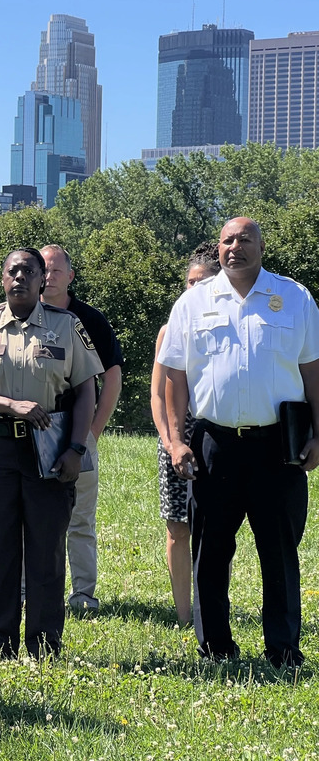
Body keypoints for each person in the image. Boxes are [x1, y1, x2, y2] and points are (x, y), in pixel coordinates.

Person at [159, 217, 319, 669]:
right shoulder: (193, 304)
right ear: (218, 247)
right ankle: (215, 647)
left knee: (280, 551)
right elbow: (173, 378)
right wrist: (176, 441)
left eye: (245, 239)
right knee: (210, 549)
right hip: (214, 443)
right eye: (227, 240)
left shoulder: (294, 298)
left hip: (278, 445)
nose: (235, 247)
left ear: (262, 246)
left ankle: (284, 649)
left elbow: (313, 374)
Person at [0, 248, 102, 660]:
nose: (20, 277)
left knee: (46, 548)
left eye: (28, 271)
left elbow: (88, 389)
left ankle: (44, 644)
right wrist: (10, 406)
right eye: (12, 271)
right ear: (2, 279)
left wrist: (77, 448)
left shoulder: (67, 326)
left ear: (41, 280)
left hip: (47, 452)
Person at [40, 244, 123, 612]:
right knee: (32, 515)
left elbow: (113, 378)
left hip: (77, 434)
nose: (48, 276)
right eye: (43, 268)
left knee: (80, 517)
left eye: (57, 270)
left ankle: (83, 594)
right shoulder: (22, 313)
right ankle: (29, 590)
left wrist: (92, 432)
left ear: (70, 276)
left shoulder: (91, 319)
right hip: (34, 431)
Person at [150, 247, 220, 626]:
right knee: (178, 527)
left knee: (213, 529)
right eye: (190, 282)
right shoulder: (169, 331)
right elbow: (158, 394)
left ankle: (210, 606)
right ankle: (183, 615)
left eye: (203, 282)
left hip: (216, 434)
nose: (194, 288)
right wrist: (169, 440)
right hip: (177, 438)